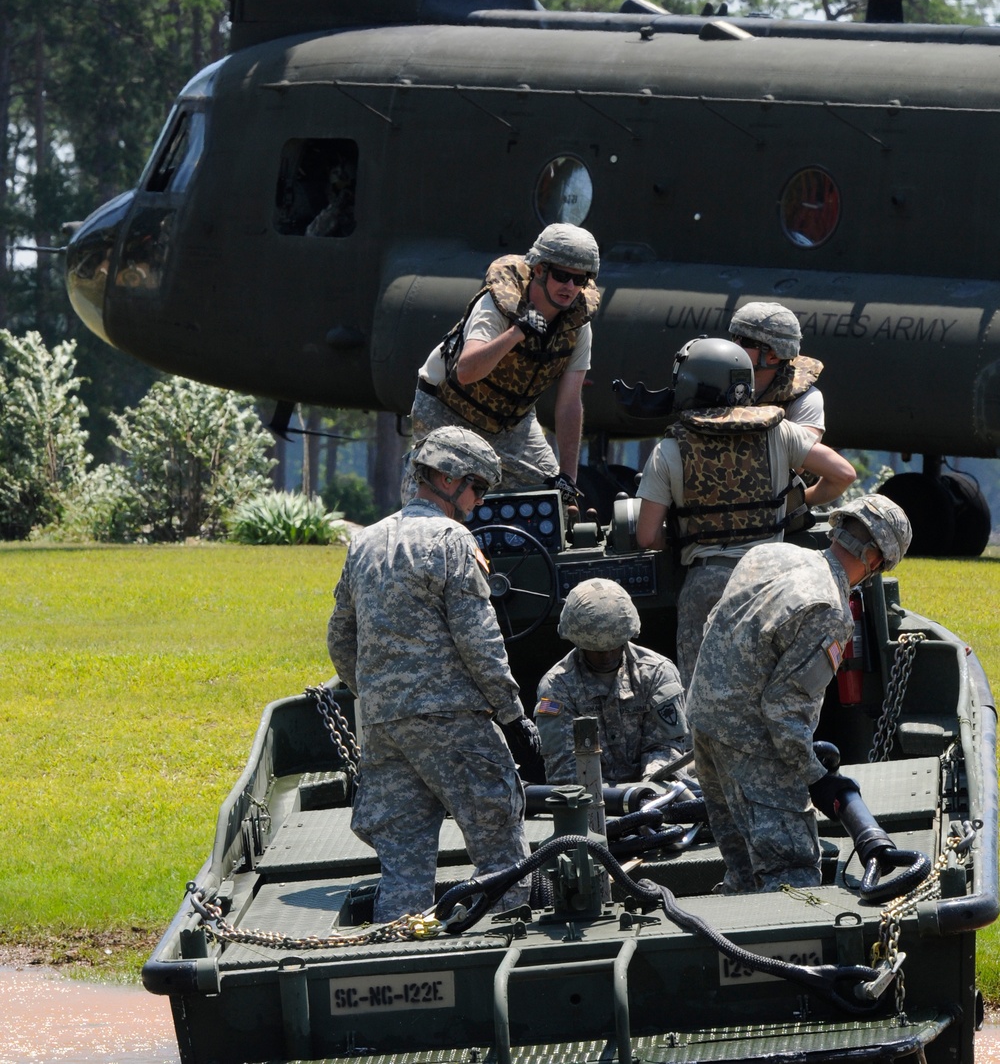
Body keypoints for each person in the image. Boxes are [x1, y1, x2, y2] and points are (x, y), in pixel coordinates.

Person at [327, 426, 541, 922]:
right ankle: (508, 951)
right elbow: (479, 640)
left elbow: (341, 638)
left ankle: (398, 966)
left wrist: (377, 694)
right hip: (454, 723)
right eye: (477, 487)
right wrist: (512, 715)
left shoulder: (366, 543)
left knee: (403, 867)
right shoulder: (452, 540)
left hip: (384, 729)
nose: (479, 502)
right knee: (501, 853)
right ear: (447, 478)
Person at [685, 495, 912, 893]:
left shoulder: (771, 555)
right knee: (791, 873)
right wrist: (817, 777)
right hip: (751, 743)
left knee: (741, 866)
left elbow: (714, 629)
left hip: (704, 724)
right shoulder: (829, 609)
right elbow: (783, 712)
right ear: (874, 559)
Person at [634, 337, 856, 685]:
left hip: (707, 584)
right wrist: (804, 501)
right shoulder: (779, 431)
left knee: (700, 697)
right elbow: (844, 474)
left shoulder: (669, 448)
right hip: (772, 581)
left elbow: (647, 536)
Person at [401, 223, 601, 504]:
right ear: (540, 270)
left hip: (511, 422)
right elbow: (467, 371)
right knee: (438, 501)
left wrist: (568, 477)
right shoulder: (495, 305)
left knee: (554, 500)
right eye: (561, 275)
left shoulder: (577, 327)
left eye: (578, 280)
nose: (569, 287)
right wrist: (517, 332)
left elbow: (569, 404)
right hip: (448, 409)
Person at [535, 578, 688, 784]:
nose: (606, 656)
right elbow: (564, 767)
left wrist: (648, 789)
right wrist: (613, 799)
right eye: (597, 649)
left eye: (614, 646)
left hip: (654, 792)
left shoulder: (657, 673)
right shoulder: (556, 687)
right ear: (578, 642)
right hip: (591, 800)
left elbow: (665, 748)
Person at [728, 302, 825, 437]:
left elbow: (805, 451)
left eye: (746, 342)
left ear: (773, 357)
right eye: (735, 337)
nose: (734, 345)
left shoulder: (803, 400)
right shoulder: (712, 381)